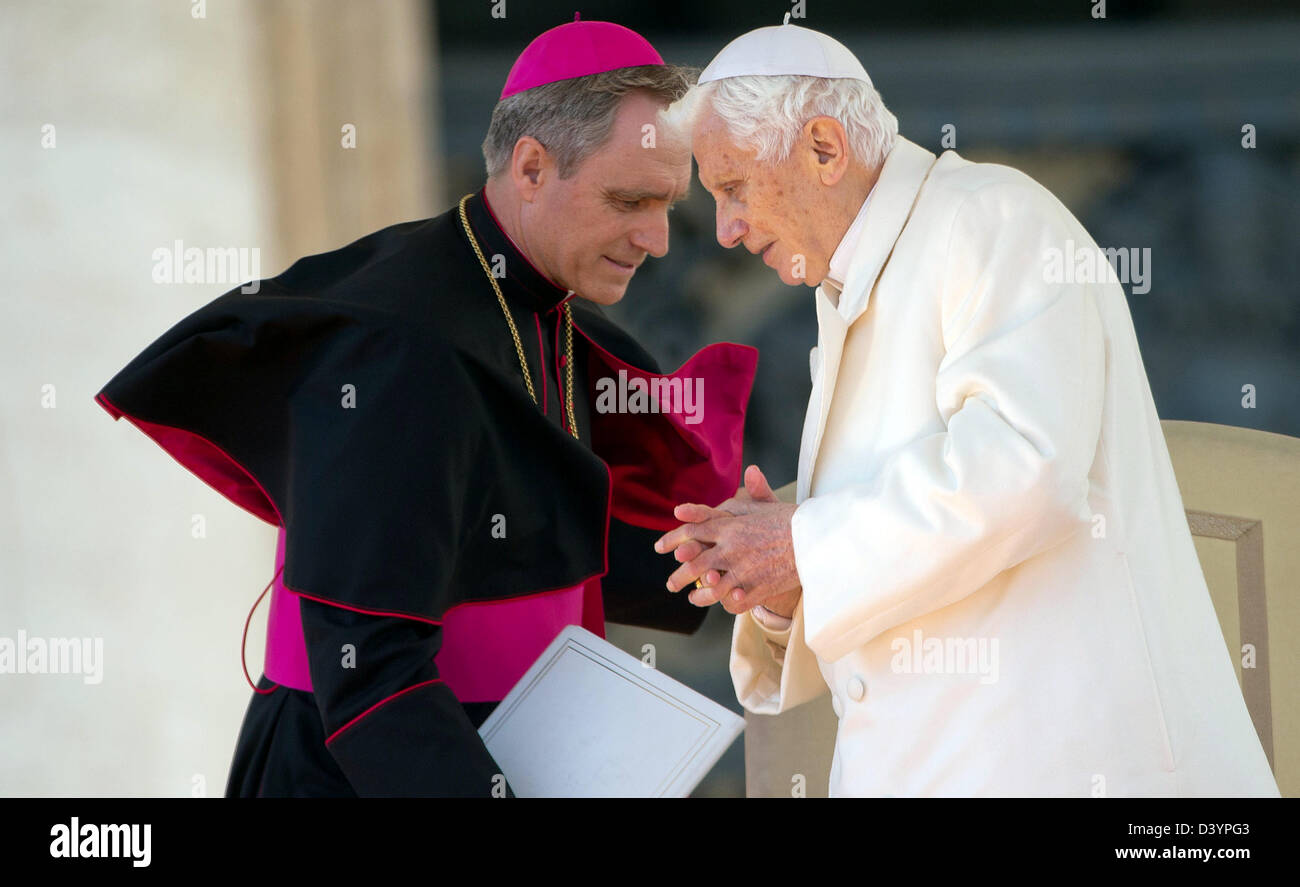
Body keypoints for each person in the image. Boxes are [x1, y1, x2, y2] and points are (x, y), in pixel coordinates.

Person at [95, 17, 757, 797]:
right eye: (630, 201)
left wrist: (738, 549)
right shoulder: (396, 347)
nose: (658, 239)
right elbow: (370, 678)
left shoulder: (542, 305)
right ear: (533, 166)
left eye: (667, 205)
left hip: (520, 745)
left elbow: (528, 536)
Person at [655, 23, 1279, 797]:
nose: (725, 229)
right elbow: (916, 557)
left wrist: (803, 545)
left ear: (822, 148)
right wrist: (789, 590)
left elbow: (1026, 470)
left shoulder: (992, 217)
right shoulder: (850, 289)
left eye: (734, 188)